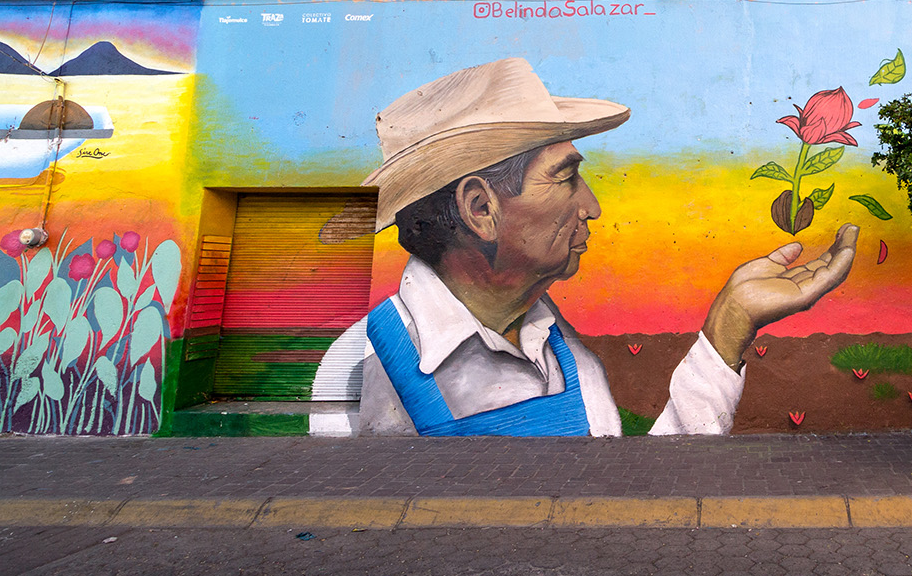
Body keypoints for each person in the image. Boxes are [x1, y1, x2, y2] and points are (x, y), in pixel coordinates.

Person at [317, 58, 857, 436]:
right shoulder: (361, 367)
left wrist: (728, 326)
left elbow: (625, 502)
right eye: (565, 178)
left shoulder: (568, 357)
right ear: (481, 209)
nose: (592, 206)